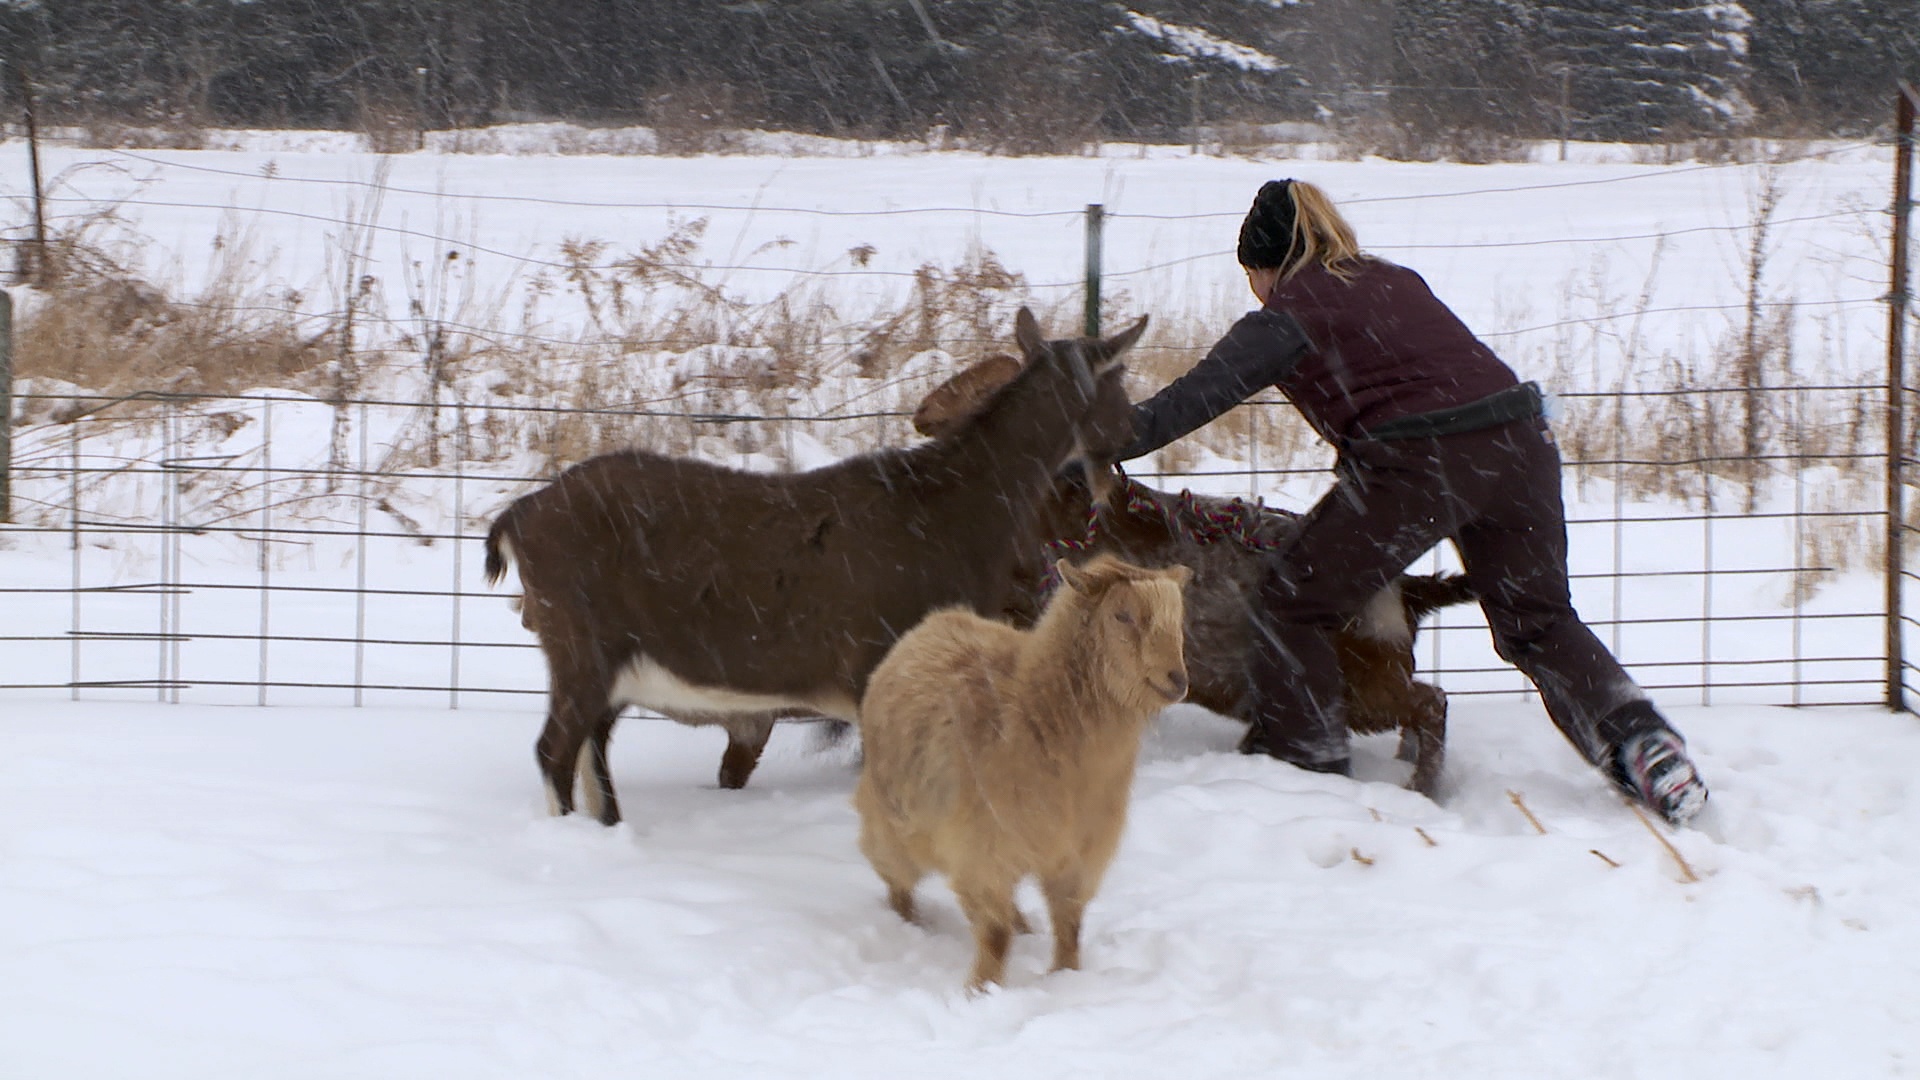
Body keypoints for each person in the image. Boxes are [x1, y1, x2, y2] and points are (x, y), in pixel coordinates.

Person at [1119, 179, 1709, 826]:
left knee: (1296, 599)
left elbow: (1187, 402)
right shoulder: (1395, 280)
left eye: (1252, 277)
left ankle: (1308, 769)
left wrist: (1092, 437)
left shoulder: (1287, 313)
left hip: (1418, 461)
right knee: (1539, 623)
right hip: (1520, 443)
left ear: (1266, 265)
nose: (1255, 292)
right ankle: (1643, 743)